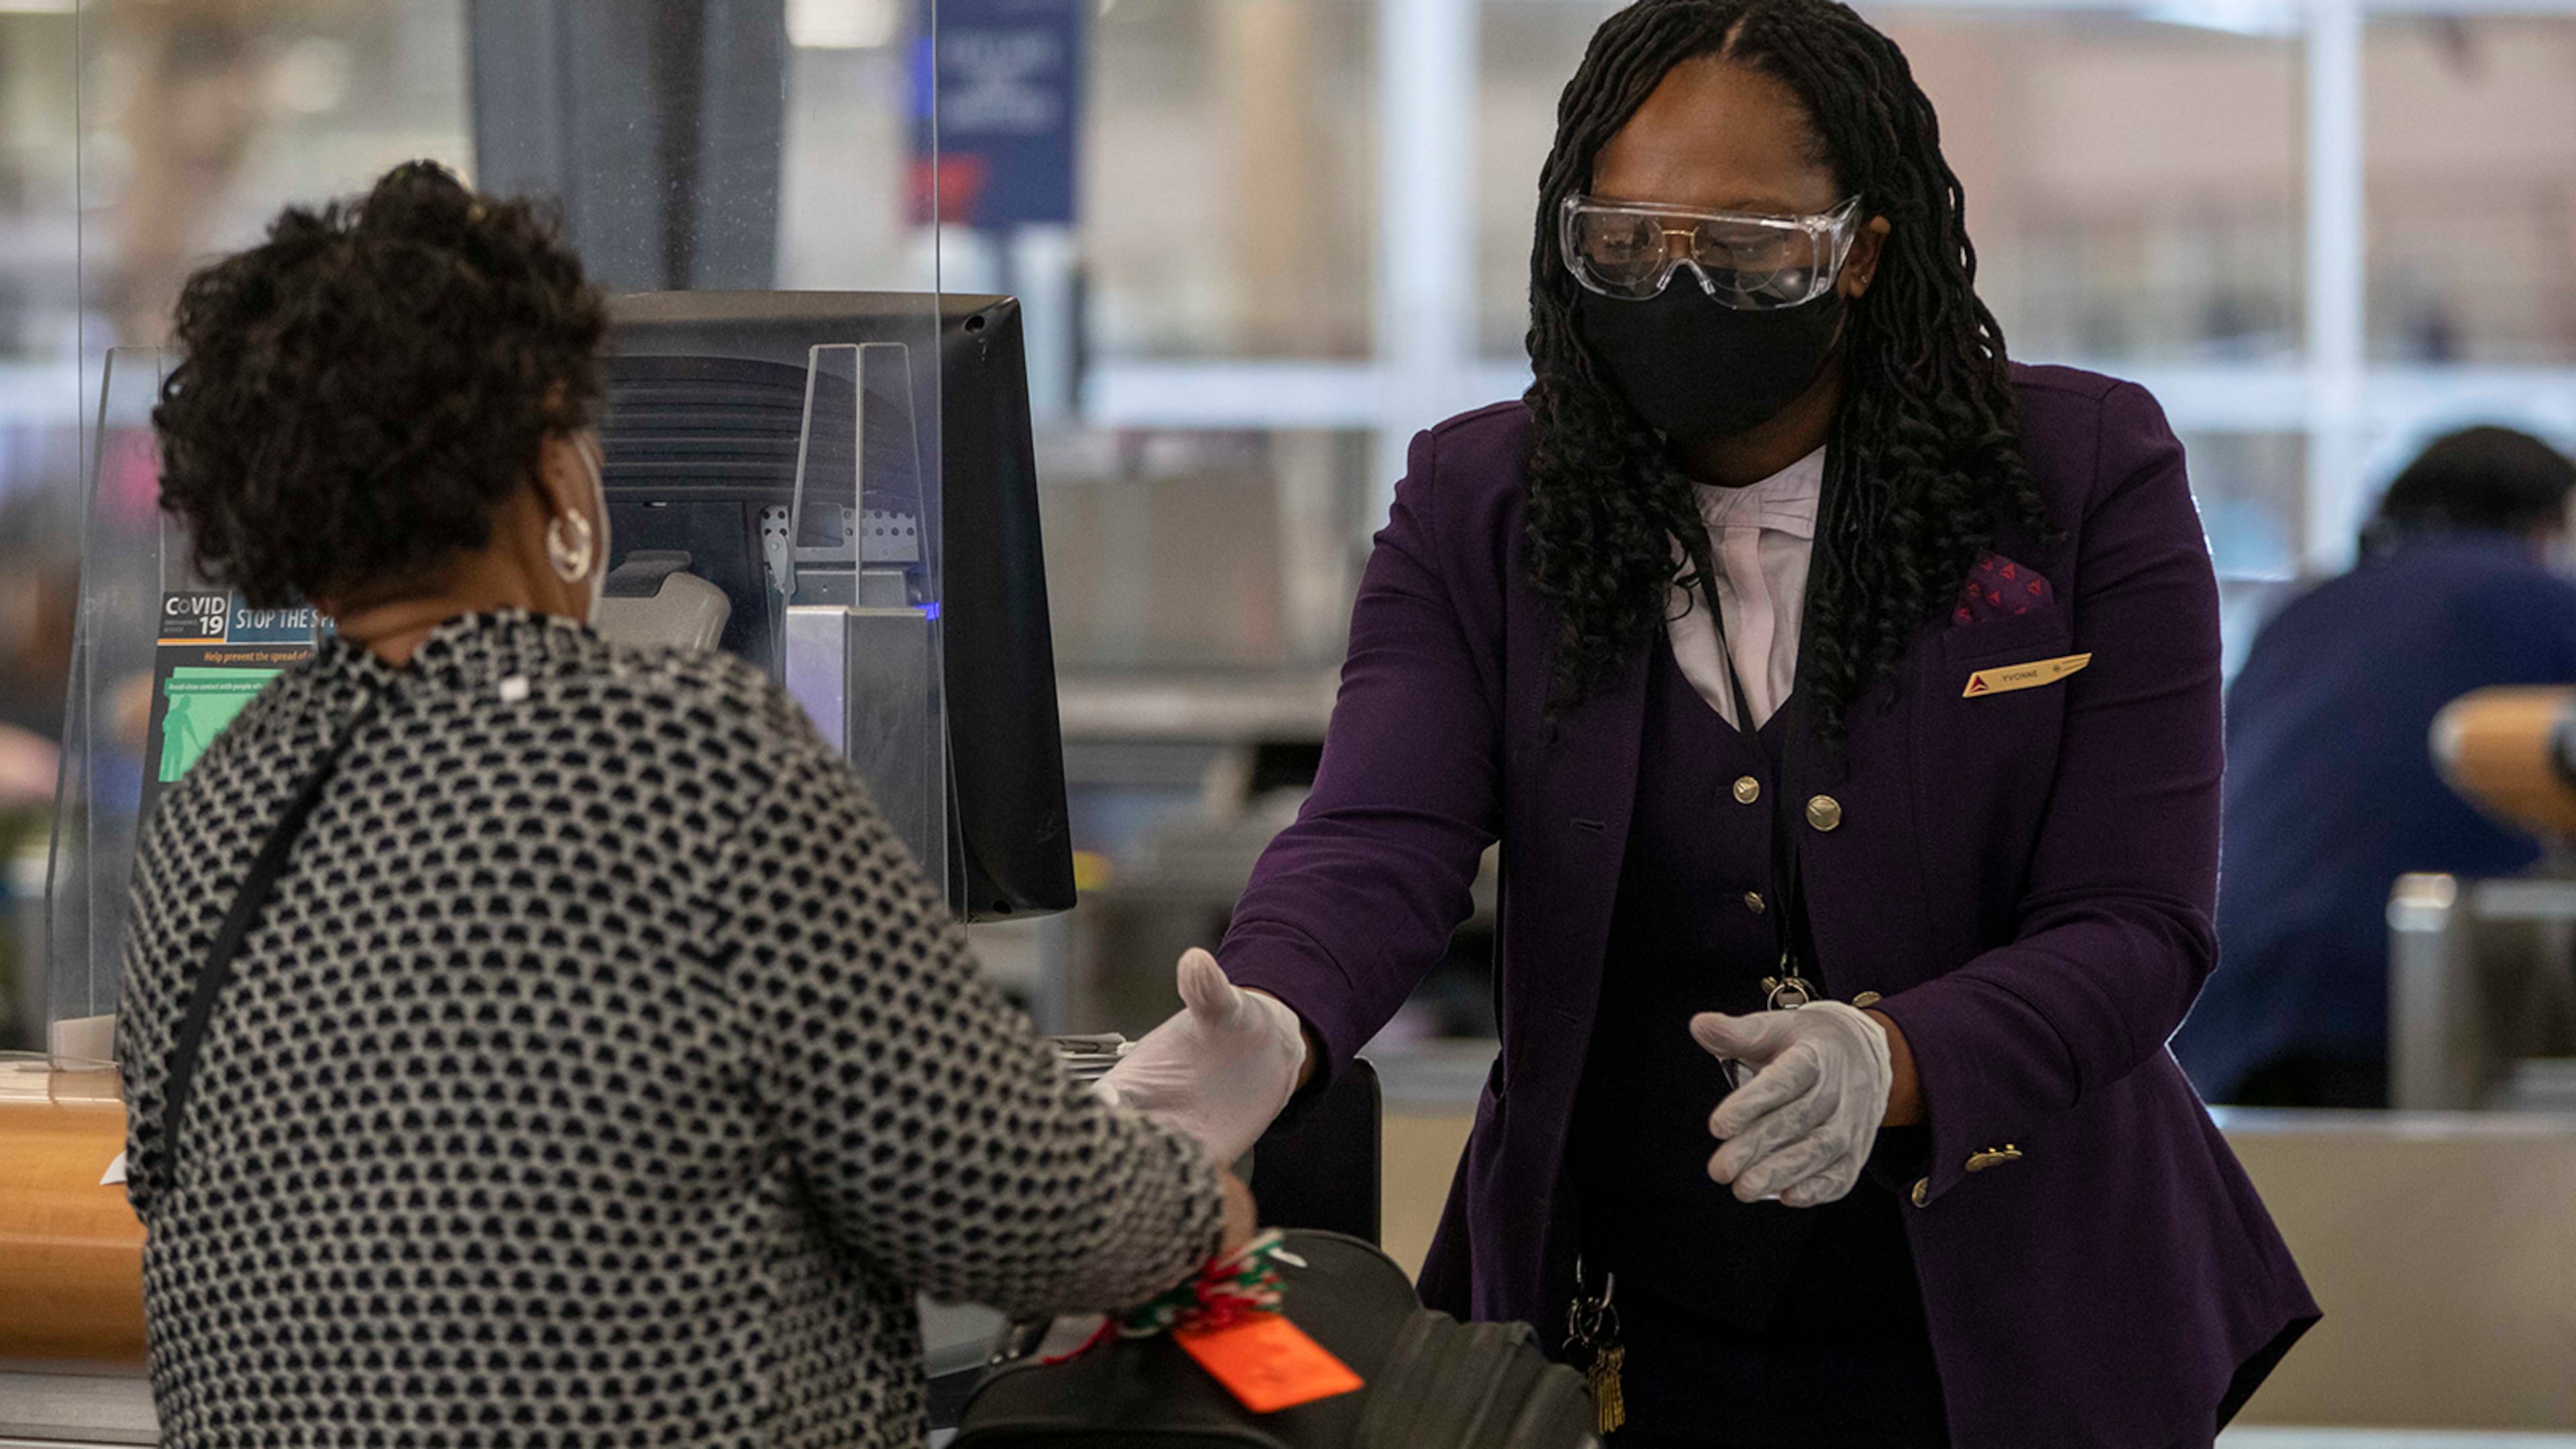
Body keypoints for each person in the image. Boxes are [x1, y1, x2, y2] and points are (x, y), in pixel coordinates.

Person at [1099, 1, 2316, 1444]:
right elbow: (1381, 833)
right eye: (1626, 241)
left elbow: (2136, 920)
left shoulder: (2078, 476)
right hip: (1622, 1304)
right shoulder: (1484, 501)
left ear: (1860, 251)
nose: (1679, 288)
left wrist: (1896, 1056)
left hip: (2015, 1304)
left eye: (1747, 251)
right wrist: (1278, 1018)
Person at [115, 162, 1248, 1448]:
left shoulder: (212, 824)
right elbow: (1006, 1198)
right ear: (551, 471)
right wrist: (1207, 1207)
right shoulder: (688, 758)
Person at [2176, 426, 2576, 1109]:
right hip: (2403, 998)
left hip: (2220, 1006)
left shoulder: (2299, 613)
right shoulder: (2541, 603)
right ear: (2549, 522)